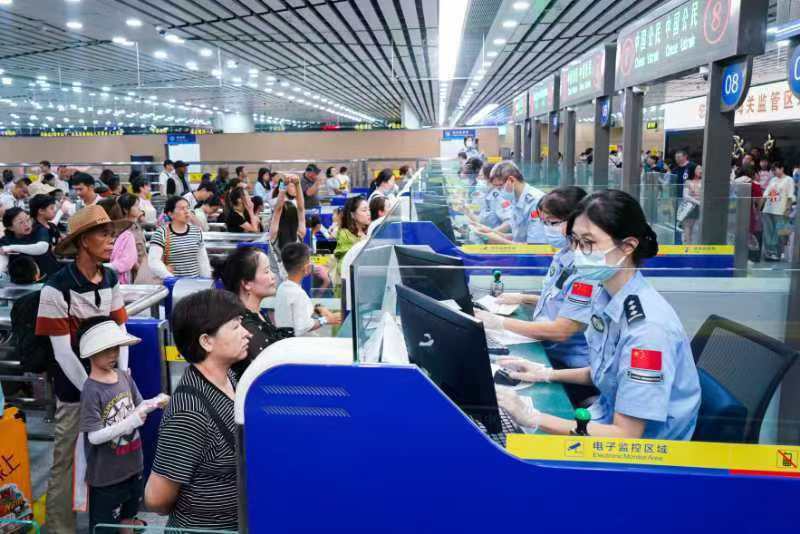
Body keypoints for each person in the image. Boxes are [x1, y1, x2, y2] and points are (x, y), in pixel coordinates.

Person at [496, 190, 701, 440]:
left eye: (588, 243)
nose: (578, 252)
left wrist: (532, 416)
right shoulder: (606, 297)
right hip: (599, 418)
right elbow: (607, 372)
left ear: (627, 246)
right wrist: (544, 373)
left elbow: (625, 436)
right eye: (575, 241)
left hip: (637, 461)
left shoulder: (648, 331)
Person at [35, 204, 131, 534]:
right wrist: (96, 390)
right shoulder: (56, 288)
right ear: (83, 241)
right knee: (67, 461)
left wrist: (120, 382)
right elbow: (62, 353)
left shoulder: (111, 278)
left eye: (112, 233)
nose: (111, 239)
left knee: (116, 458)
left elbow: (120, 336)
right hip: (75, 393)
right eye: (103, 234)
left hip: (110, 387)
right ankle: (60, 528)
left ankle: (115, 523)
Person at [145, 289, 250, 531]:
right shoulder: (190, 413)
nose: (246, 333)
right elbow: (156, 499)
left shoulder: (230, 379)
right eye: (235, 327)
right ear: (206, 341)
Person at [77, 317, 167, 533]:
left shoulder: (123, 376)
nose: (114, 354)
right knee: (105, 527)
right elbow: (94, 437)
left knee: (129, 518)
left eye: (116, 348)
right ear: (91, 352)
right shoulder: (91, 390)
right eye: (107, 349)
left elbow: (137, 405)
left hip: (133, 467)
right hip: (107, 478)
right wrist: (130, 422)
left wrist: (154, 402)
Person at [213, 247, 292, 379]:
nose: (273, 276)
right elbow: (268, 373)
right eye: (266, 271)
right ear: (246, 283)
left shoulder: (258, 314)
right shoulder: (244, 324)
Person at [472, 161, 545, 244]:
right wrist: (492, 232)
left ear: (511, 180)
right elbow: (517, 237)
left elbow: (536, 247)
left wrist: (500, 241)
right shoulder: (515, 199)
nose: (498, 191)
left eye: (499, 186)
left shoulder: (535, 203)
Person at [275, 242, 341, 335]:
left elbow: (297, 311)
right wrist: (327, 319)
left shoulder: (283, 287)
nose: (313, 263)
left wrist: (318, 309)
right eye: (310, 261)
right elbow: (303, 326)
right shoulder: (298, 293)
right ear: (306, 268)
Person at [148, 196, 212, 279]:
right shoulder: (161, 233)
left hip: (195, 284)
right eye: (182, 208)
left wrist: (206, 279)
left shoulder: (196, 231)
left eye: (188, 208)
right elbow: (154, 261)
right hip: (173, 285)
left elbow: (203, 260)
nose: (186, 211)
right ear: (170, 214)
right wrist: (171, 279)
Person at [0, 207, 60, 278]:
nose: (26, 224)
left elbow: (42, 248)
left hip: (50, 277)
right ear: (11, 228)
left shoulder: (39, 229)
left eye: (28, 220)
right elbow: (3, 264)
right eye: (21, 222)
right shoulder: (5, 241)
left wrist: (11, 248)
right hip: (23, 281)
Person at [102, 194, 149, 284]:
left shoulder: (136, 225)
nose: (139, 208)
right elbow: (130, 257)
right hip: (134, 272)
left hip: (142, 268)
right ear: (125, 209)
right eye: (135, 206)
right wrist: (140, 272)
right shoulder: (125, 231)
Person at [269, 175, 306, 276]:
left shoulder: (273, 235)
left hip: (277, 283)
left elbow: (277, 210)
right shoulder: (300, 234)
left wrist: (283, 184)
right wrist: (298, 184)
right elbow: (301, 208)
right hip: (295, 283)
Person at [762, 161, 796, 261]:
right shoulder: (773, 180)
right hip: (768, 209)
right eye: (773, 170)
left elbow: (790, 196)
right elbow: (766, 194)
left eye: (776, 169)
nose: (774, 172)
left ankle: (777, 253)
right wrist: (760, 207)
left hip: (781, 210)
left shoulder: (789, 180)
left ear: (782, 168)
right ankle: (769, 253)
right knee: (768, 233)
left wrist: (788, 209)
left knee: (780, 233)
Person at [333, 195, 370, 277]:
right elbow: (343, 266)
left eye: (369, 210)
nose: (368, 213)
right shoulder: (345, 234)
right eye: (364, 210)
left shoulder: (369, 232)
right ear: (352, 215)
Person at [734, 164, 765, 262]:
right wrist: (757, 211)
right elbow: (759, 200)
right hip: (749, 212)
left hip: (735, 212)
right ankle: (751, 256)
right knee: (750, 233)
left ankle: (737, 254)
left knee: (736, 233)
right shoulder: (755, 184)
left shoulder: (734, 182)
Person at [27, 194, 63, 276]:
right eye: (51, 208)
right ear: (41, 211)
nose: (55, 210)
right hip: (43, 270)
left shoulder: (52, 227)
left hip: (54, 265)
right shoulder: (34, 230)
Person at [680, 165, 703, 245]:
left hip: (700, 208)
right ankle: (687, 245)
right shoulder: (688, 182)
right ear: (693, 170)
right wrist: (698, 202)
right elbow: (685, 196)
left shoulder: (703, 182)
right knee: (687, 226)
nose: (701, 170)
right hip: (689, 207)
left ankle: (694, 245)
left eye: (701, 168)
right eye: (698, 168)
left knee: (695, 228)